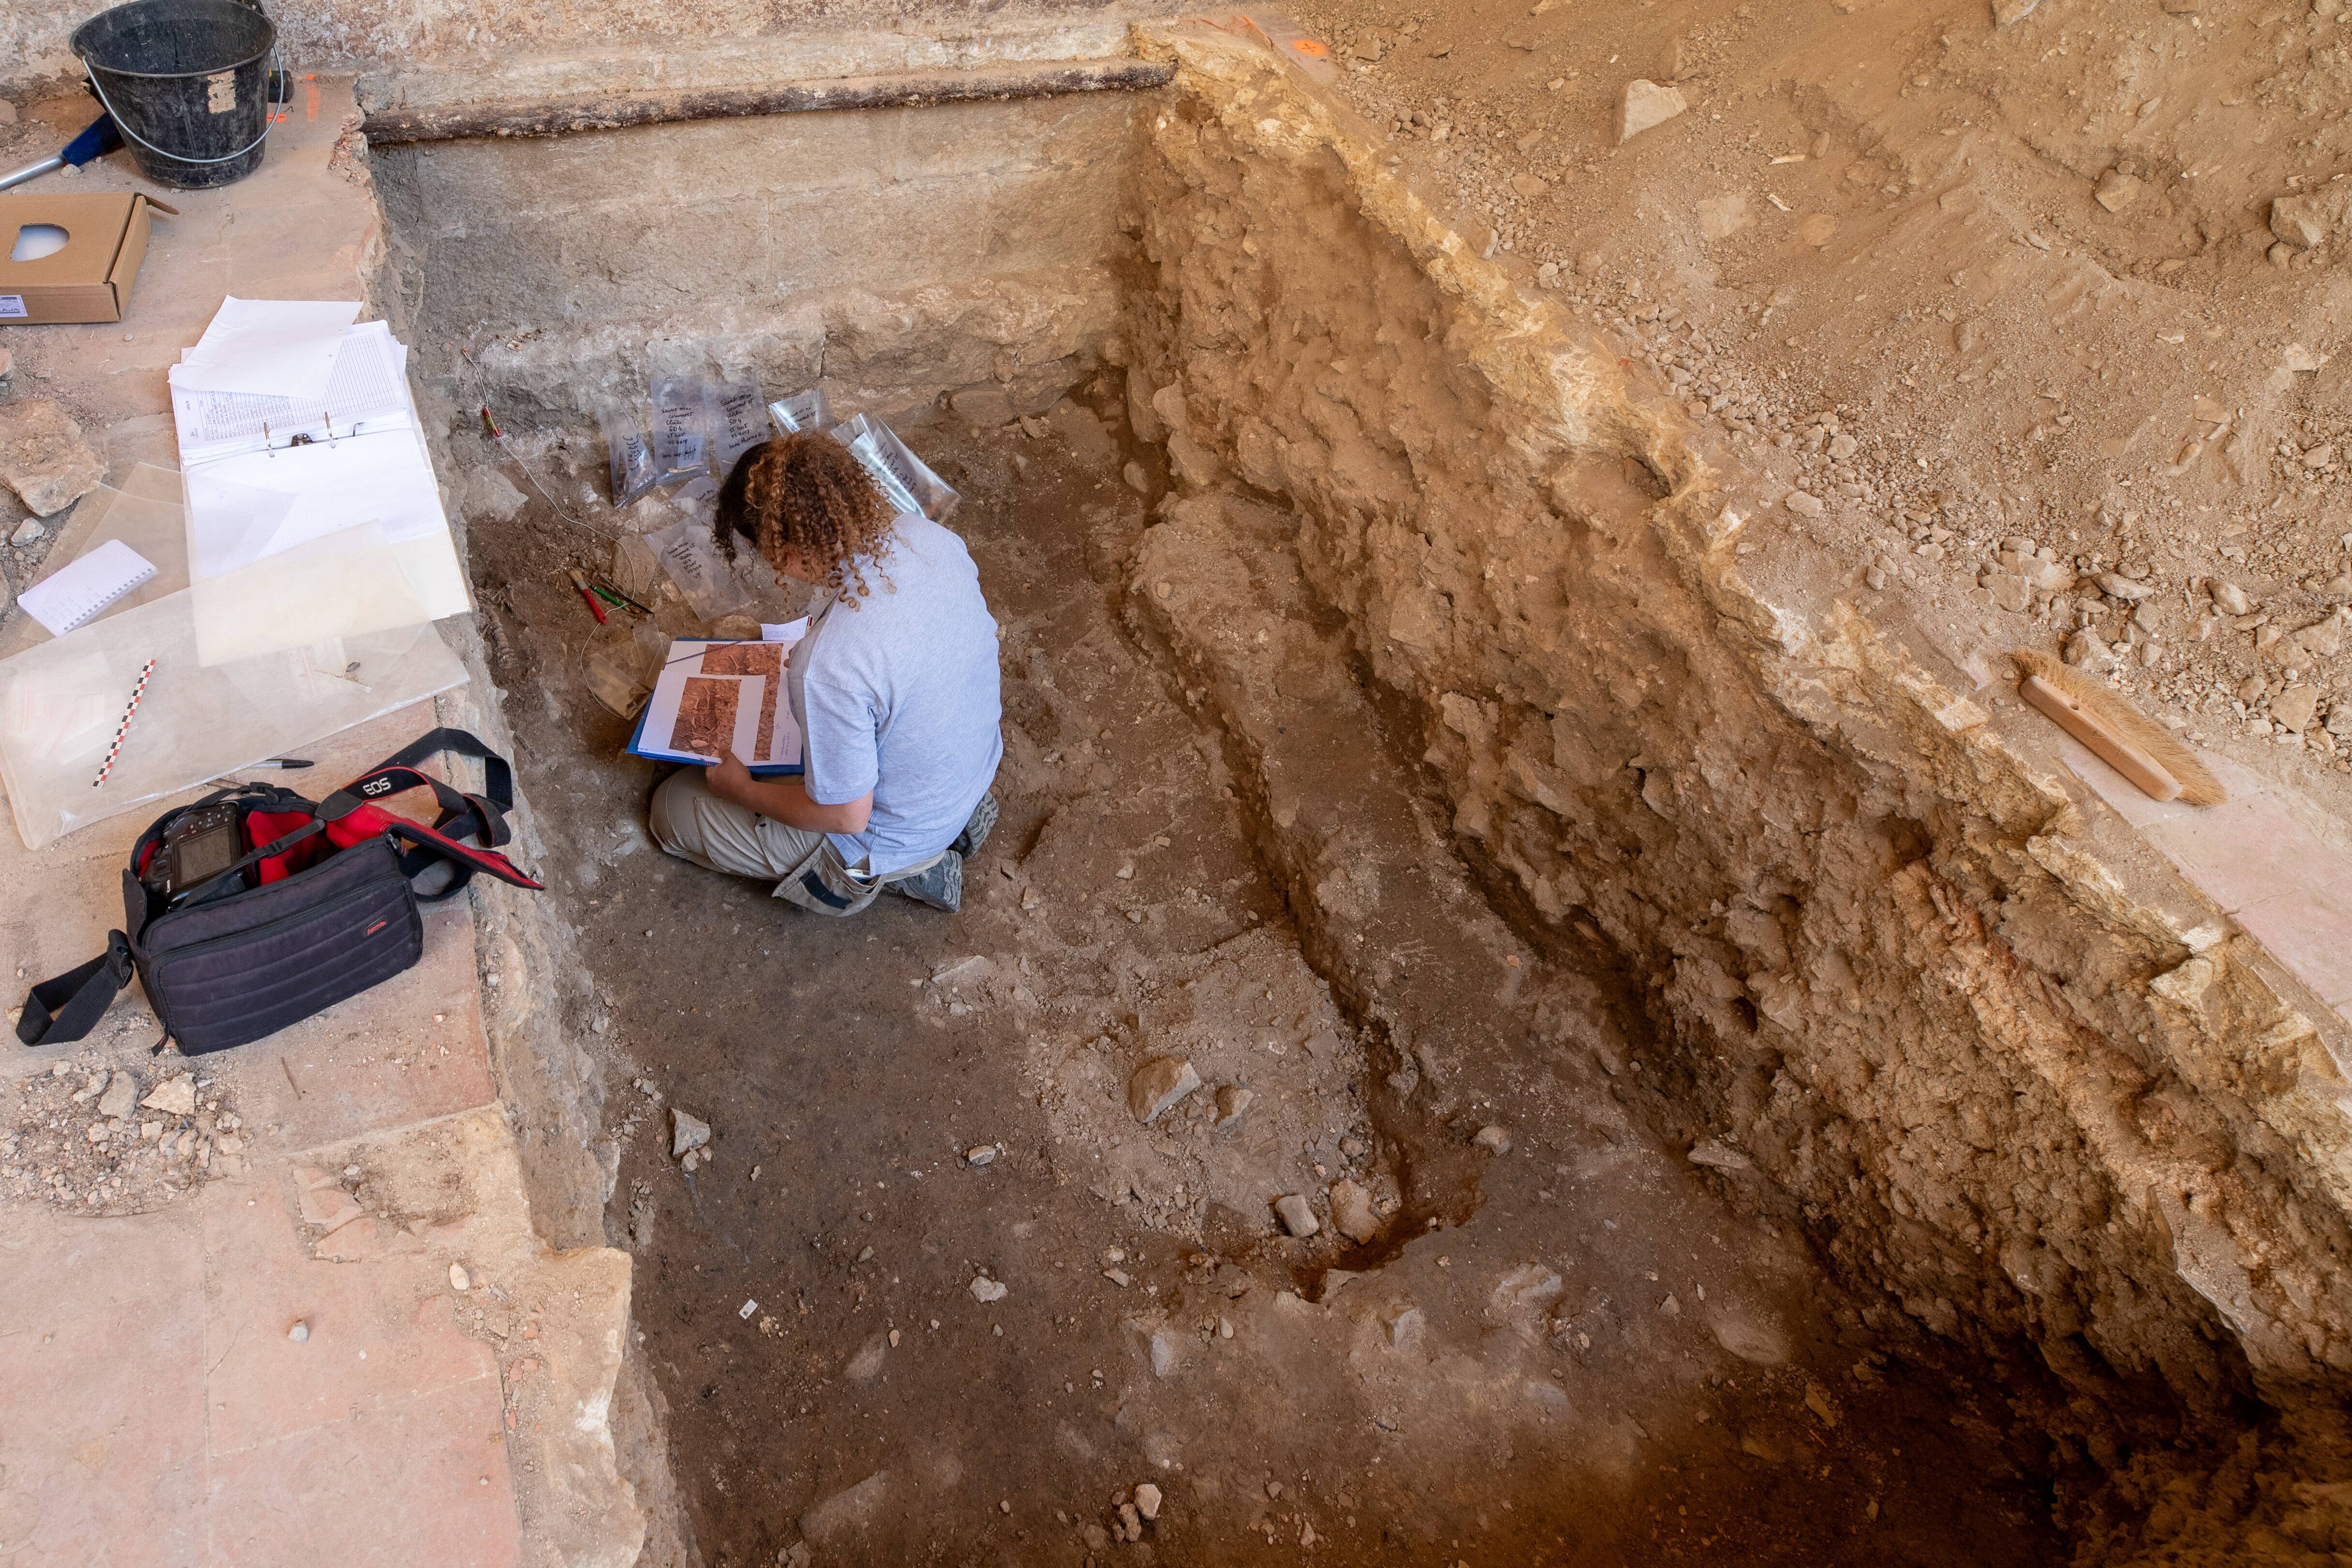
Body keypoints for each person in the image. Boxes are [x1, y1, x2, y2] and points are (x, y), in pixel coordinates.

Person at [649, 431, 1001, 915]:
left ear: (785, 550)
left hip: (880, 837)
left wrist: (741, 789)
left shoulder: (827, 668)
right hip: (967, 774)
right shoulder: (931, 539)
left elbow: (846, 815)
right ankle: (944, 830)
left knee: (671, 809)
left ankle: (903, 870)